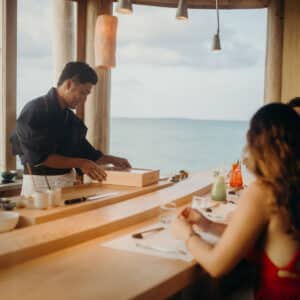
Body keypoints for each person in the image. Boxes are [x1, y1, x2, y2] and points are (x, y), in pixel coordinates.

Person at [172, 103, 300, 299]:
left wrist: (187, 236)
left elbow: (216, 265)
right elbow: (255, 235)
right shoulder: (290, 187)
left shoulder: (265, 191)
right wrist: (207, 225)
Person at [10, 62, 131, 196]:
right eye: (83, 93)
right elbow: (39, 157)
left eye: (87, 95)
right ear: (69, 84)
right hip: (38, 187)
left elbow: (87, 153)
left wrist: (113, 160)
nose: (84, 100)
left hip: (67, 185)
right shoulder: (34, 110)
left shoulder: (70, 119)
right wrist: (81, 163)